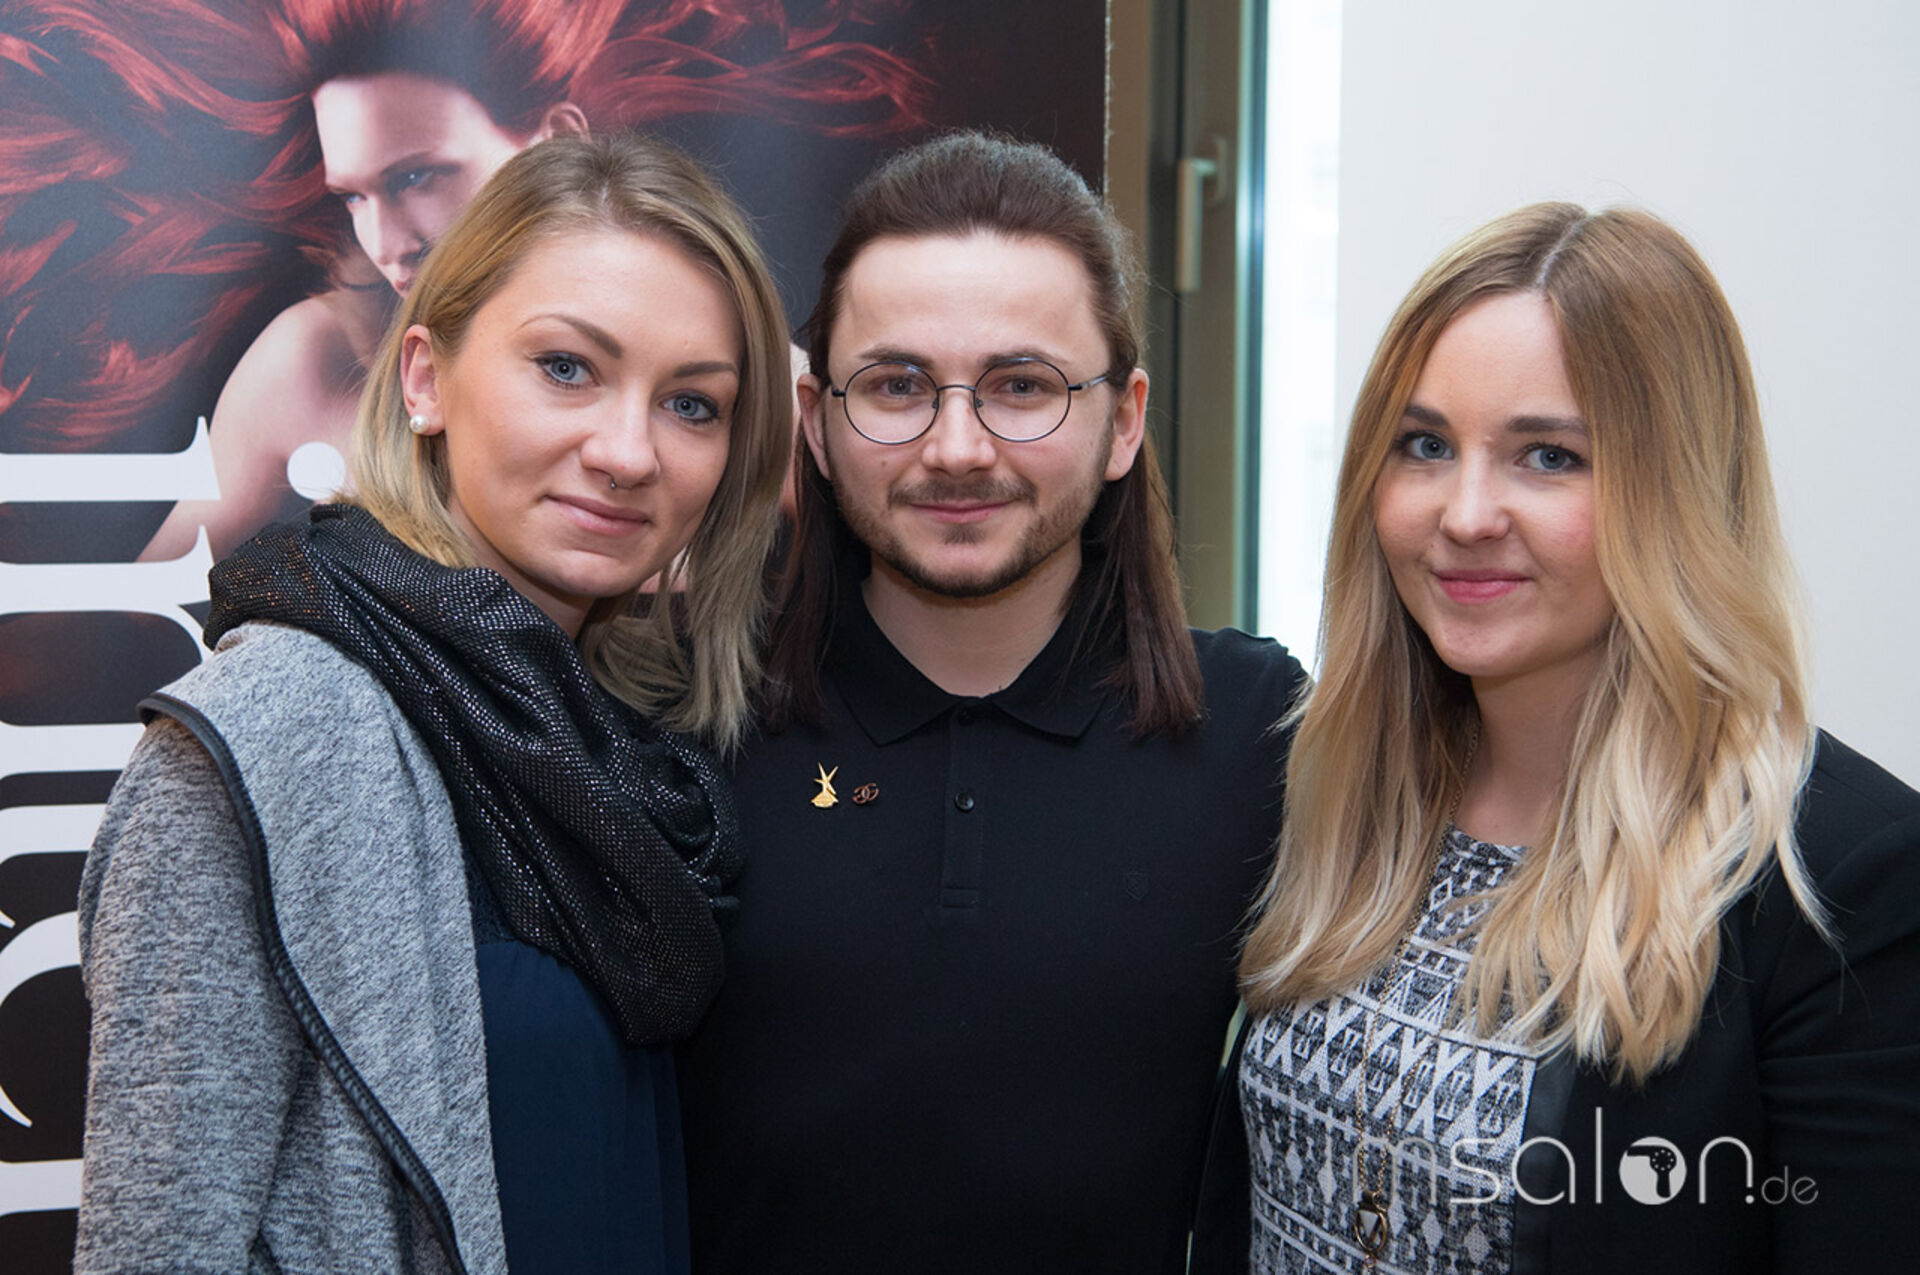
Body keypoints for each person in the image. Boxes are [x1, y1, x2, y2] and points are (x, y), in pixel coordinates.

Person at [74, 132, 792, 1273]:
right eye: (567, 367)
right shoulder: (266, 739)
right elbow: (158, 1244)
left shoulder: (639, 745)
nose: (629, 451)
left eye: (693, 404)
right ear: (423, 380)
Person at [1236, 203, 1920, 1273]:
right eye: (1425, 445)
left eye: (1548, 456)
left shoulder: (1837, 877)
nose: (1466, 514)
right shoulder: (1330, 790)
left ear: (1676, 491)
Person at [676, 131, 1309, 1274]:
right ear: (815, 420)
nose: (958, 449)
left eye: (1023, 387)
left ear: (1123, 421)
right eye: (897, 387)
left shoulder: (1258, 733)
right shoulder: (680, 718)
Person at [130, 0, 926, 562]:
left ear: (556, 142)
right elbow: (139, 616)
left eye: (418, 177)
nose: (387, 243)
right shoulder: (314, 355)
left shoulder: (723, 347)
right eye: (355, 196)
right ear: (421, 379)